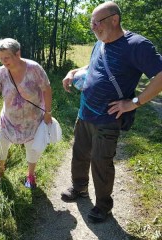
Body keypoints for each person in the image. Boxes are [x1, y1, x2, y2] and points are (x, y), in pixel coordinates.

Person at [61, 1, 162, 223]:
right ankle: (79, 188)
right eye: (91, 23)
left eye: (97, 22)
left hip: (108, 118)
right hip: (85, 112)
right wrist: (73, 71)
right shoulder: (101, 42)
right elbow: (93, 67)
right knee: (79, 153)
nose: (93, 27)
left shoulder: (137, 45)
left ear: (114, 19)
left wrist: (134, 102)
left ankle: (103, 206)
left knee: (101, 161)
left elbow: (160, 75)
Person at [0, 38, 52, 188]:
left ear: (17, 54)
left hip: (32, 120)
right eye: (1, 59)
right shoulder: (1, 72)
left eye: (7, 58)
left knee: (32, 149)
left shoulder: (34, 69)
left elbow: (47, 89)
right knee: (0, 146)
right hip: (9, 119)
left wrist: (48, 112)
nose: (4, 62)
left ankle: (30, 175)